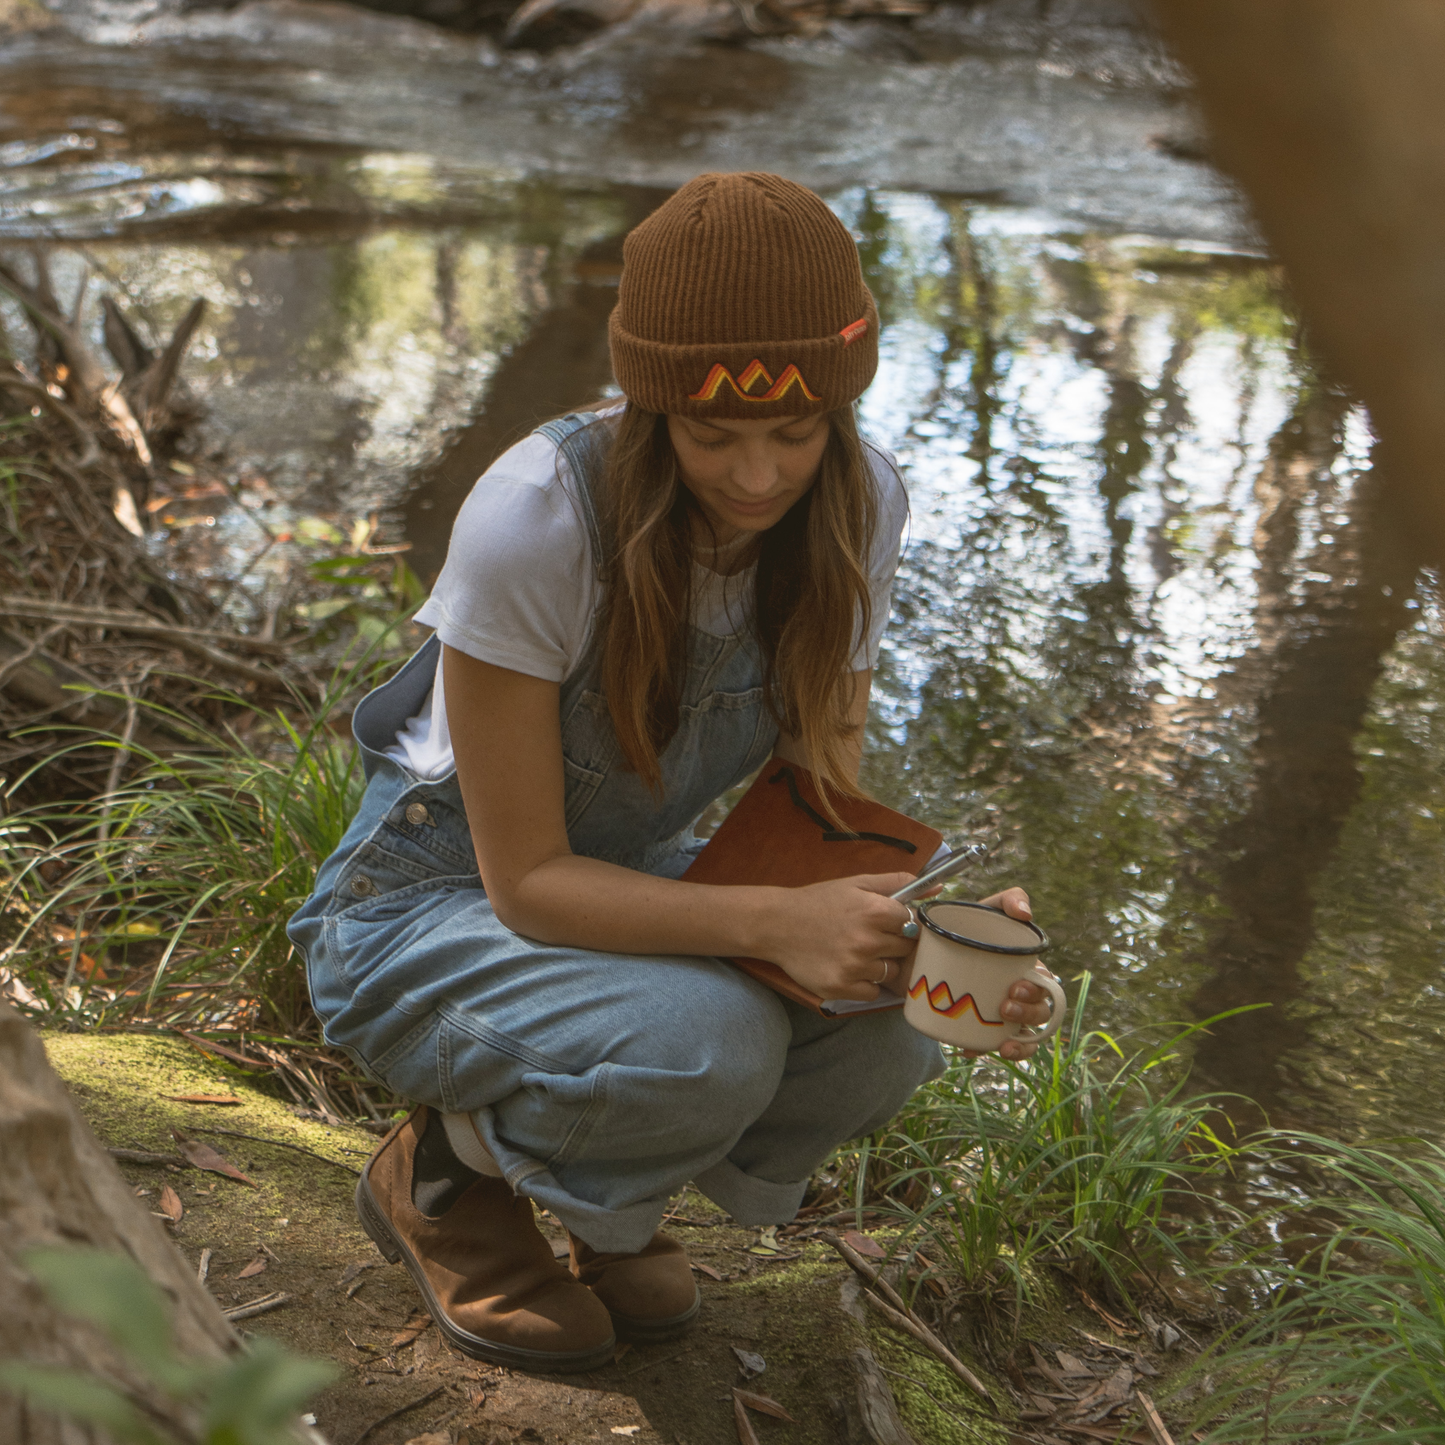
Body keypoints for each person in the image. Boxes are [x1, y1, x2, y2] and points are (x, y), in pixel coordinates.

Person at [287, 172, 1053, 1374]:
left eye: (793, 433)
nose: (757, 475)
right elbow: (530, 883)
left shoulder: (861, 504)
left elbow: (814, 818)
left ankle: (606, 1209)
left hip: (627, 882)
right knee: (710, 1041)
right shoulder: (537, 514)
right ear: (651, 409)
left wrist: (929, 943)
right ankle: (445, 1177)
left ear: (838, 412)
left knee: (892, 1027)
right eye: (713, 434)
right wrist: (770, 924)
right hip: (424, 911)